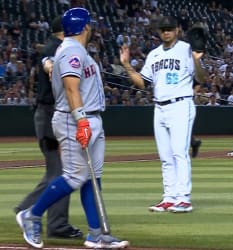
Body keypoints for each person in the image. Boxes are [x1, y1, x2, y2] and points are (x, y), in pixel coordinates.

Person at [16, 7, 129, 249]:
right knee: (75, 176)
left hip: (91, 116)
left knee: (92, 178)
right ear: (86, 27)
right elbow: (70, 88)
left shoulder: (73, 50)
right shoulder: (71, 50)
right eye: (90, 25)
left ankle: (97, 234)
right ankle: (31, 215)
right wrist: (82, 121)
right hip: (73, 118)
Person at [120, 15, 205, 213]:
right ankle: (169, 198)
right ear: (159, 32)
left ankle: (183, 198)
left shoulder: (187, 49)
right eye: (163, 29)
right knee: (166, 156)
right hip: (159, 107)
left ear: (177, 30)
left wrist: (197, 61)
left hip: (180, 105)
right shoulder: (154, 55)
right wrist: (126, 64)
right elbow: (143, 83)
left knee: (179, 152)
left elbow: (201, 78)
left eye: (170, 28)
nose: (166, 32)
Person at [14, 16, 83, 239]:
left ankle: (29, 210)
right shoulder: (56, 48)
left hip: (48, 115)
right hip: (50, 115)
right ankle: (54, 223)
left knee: (57, 172)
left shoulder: (54, 47)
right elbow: (48, 63)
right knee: (62, 173)